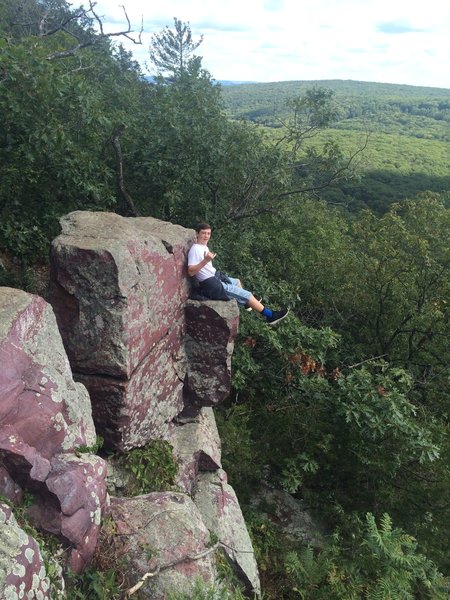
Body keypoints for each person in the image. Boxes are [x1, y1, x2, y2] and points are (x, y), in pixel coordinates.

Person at [187, 222, 289, 326]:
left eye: (208, 233)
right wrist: (206, 260)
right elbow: (190, 272)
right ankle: (270, 315)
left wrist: (207, 260)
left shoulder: (204, 247)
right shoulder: (195, 249)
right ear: (197, 234)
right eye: (203, 233)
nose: (206, 236)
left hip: (215, 277)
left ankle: (247, 303)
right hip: (212, 285)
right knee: (247, 295)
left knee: (237, 282)